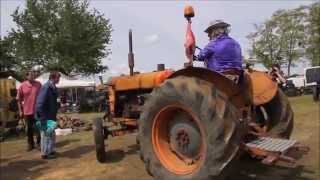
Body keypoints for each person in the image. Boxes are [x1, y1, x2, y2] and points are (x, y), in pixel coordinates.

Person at [35, 71, 60, 159]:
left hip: (51, 115)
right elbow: (40, 103)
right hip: (45, 116)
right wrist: (42, 118)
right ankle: (45, 154)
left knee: (51, 134)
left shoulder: (53, 87)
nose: (59, 80)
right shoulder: (46, 87)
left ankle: (51, 150)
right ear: (52, 78)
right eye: (58, 78)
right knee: (45, 135)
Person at [16, 71, 42, 151]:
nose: (33, 76)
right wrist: (20, 110)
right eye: (31, 75)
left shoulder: (38, 84)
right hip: (27, 111)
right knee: (29, 128)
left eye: (34, 75)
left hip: (37, 110)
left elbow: (42, 96)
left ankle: (39, 143)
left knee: (38, 127)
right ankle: (30, 144)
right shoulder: (22, 85)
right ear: (27, 76)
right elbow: (18, 99)